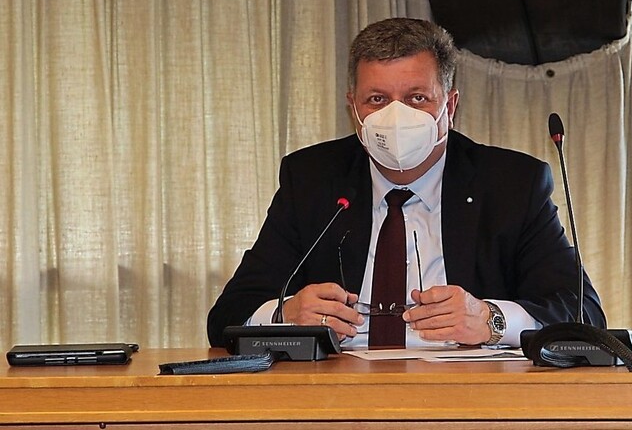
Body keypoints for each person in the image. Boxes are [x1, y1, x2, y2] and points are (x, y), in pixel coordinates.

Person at [207, 17, 605, 349]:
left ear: (449, 106)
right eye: (377, 100)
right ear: (354, 109)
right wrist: (285, 312)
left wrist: (490, 319)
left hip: (470, 399)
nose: (396, 118)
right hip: (336, 397)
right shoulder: (313, 178)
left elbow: (584, 312)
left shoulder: (511, 184)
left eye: (417, 98)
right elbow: (227, 315)